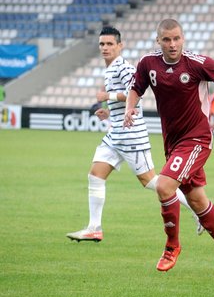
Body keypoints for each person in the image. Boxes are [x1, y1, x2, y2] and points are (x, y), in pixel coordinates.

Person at [123, 19, 214, 276]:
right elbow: (136, 87)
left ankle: (172, 246)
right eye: (167, 39)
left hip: (197, 139)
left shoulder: (197, 63)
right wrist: (130, 107)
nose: (172, 44)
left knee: (164, 186)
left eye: (177, 38)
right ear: (159, 41)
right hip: (173, 143)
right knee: (198, 201)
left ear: (183, 38)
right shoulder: (148, 64)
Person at [66, 26, 203, 243]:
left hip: (131, 135)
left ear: (120, 46)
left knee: (152, 182)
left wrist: (107, 95)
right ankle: (94, 228)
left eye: (110, 44)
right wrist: (109, 112)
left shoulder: (123, 67)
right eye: (102, 44)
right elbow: (126, 101)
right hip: (116, 133)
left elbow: (136, 93)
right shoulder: (110, 68)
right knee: (95, 175)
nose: (105, 48)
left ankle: (198, 211)